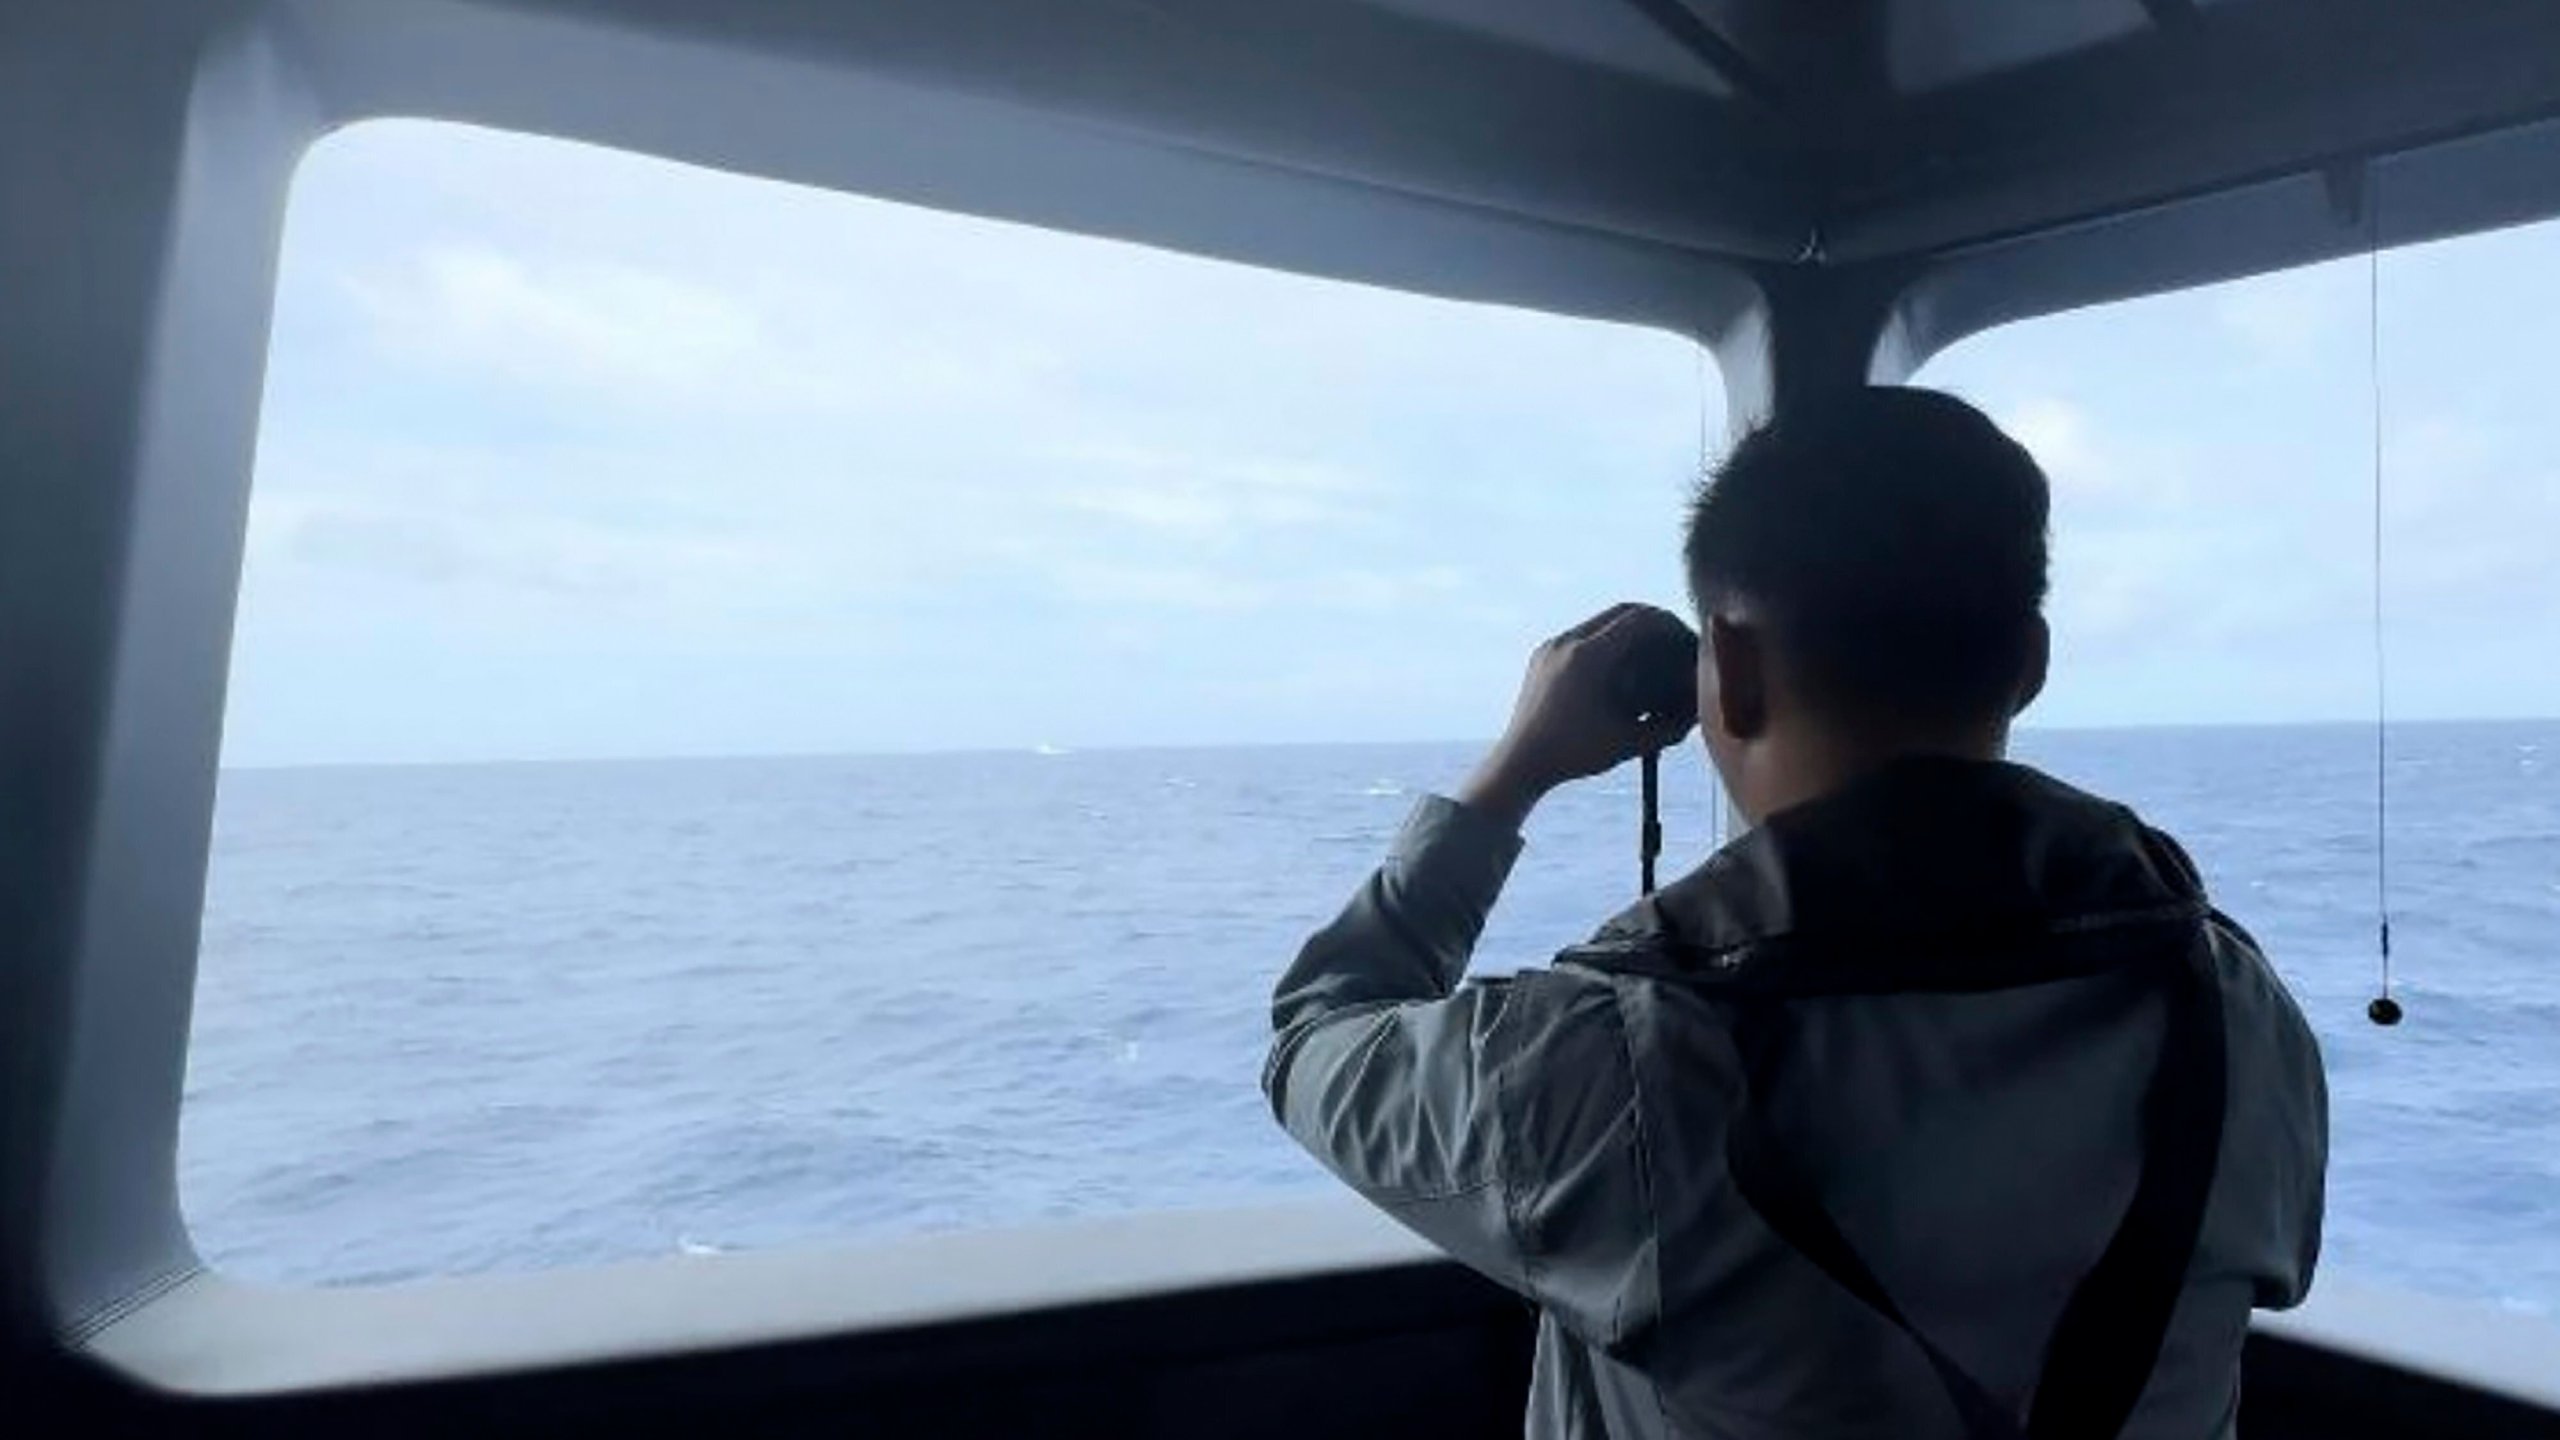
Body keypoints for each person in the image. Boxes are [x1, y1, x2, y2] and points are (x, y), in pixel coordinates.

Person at [1261, 387, 2327, 1439]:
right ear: (2029, 666)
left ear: (1725, 667)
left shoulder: (1611, 1062)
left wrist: (1516, 771)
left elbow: (1316, 1033)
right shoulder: (2231, 1014)